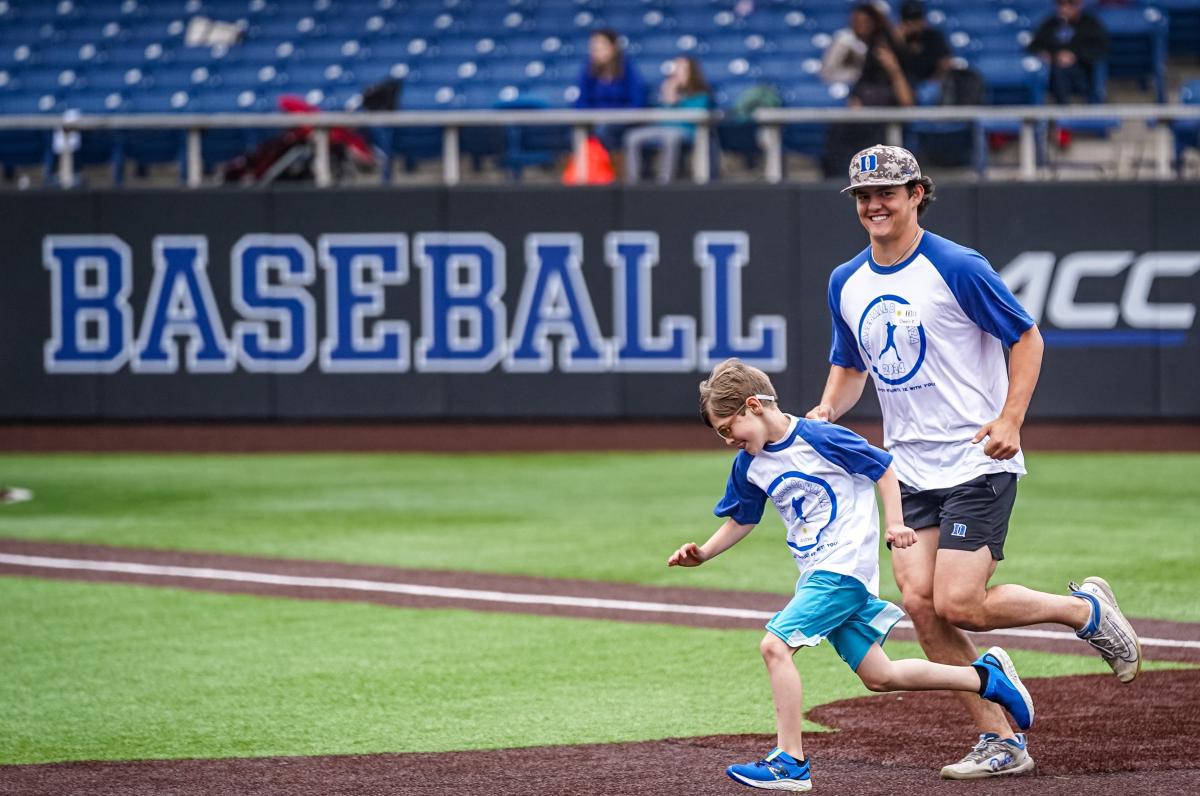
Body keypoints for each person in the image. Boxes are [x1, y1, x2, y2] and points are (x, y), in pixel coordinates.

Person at [806, 144, 1142, 780]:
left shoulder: (956, 265)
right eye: (863, 197)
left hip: (974, 457)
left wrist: (1011, 419)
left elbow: (1026, 335)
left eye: (888, 193)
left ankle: (1085, 612)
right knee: (921, 603)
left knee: (961, 602)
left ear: (917, 195)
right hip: (906, 465)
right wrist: (827, 409)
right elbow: (850, 365)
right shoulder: (845, 281)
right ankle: (1002, 741)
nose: (875, 205)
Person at [668, 358, 1037, 792]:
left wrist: (896, 523)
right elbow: (743, 518)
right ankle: (985, 676)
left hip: (842, 571)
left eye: (729, 428)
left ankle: (790, 762)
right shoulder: (749, 464)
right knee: (881, 676)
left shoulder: (819, 436)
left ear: (754, 406)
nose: (729, 439)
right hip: (816, 575)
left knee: (775, 646)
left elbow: (881, 466)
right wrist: (705, 553)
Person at [820, 3, 913, 178]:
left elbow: (907, 102)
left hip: (888, 125)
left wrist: (893, 69)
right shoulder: (865, 64)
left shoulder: (902, 66)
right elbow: (838, 77)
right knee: (839, 132)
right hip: (863, 125)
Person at [622, 56, 711, 184]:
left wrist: (675, 101)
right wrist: (668, 97)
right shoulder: (667, 91)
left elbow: (694, 116)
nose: (677, 73)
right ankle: (633, 180)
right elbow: (661, 117)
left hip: (686, 132)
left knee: (671, 138)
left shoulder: (700, 95)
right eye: (676, 69)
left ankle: (665, 181)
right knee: (632, 137)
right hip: (662, 129)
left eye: (682, 69)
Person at [574, 28, 647, 153]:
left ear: (613, 47)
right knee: (574, 131)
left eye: (601, 46)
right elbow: (581, 101)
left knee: (603, 129)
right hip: (595, 120)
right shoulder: (588, 71)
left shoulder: (628, 69)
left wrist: (618, 116)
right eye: (594, 47)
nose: (596, 51)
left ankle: (610, 168)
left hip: (622, 121)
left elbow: (637, 101)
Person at [1028, 0, 1110, 105]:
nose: (1065, 8)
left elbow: (1101, 47)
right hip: (1053, 70)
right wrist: (1047, 54)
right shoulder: (1050, 23)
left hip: (1083, 69)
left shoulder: (1090, 23)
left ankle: (1092, 105)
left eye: (1071, 4)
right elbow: (1034, 45)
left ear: (1079, 5)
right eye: (1061, 4)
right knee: (1058, 72)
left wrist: (1074, 56)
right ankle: (1062, 108)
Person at [895, 0, 953, 88]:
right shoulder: (896, 39)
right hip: (902, 83)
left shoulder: (933, 36)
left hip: (929, 83)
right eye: (908, 19)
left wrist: (932, 82)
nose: (912, 24)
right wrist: (898, 41)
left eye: (916, 18)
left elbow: (946, 63)